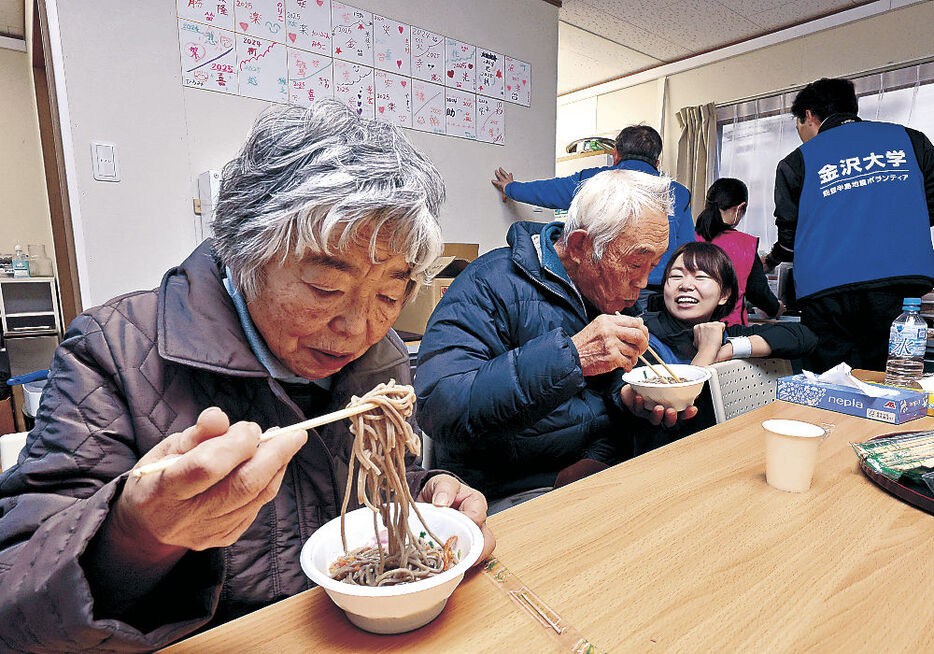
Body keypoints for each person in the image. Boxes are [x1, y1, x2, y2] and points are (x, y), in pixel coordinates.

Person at [0, 99, 494, 651]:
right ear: (246, 255)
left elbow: (380, 484)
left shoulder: (381, 357)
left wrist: (429, 497)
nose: (359, 327)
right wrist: (137, 535)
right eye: (325, 288)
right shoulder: (112, 351)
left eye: (389, 292)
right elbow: (13, 598)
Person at [416, 169, 698, 513]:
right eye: (636, 263)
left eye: (655, 264)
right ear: (580, 246)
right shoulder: (489, 284)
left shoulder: (612, 291)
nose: (643, 281)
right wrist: (572, 357)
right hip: (513, 489)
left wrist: (629, 400)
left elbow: (600, 395)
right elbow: (440, 410)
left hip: (599, 471)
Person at [763, 77, 934, 372]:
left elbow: (789, 239)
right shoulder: (911, 141)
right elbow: (928, 206)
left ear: (809, 116)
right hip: (898, 285)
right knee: (890, 378)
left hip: (826, 291)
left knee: (827, 381)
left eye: (799, 126)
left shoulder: (798, 161)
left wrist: (772, 259)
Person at [635, 242, 817, 455]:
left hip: (724, 452)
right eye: (676, 276)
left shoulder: (726, 335)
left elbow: (804, 337)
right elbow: (677, 420)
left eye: (701, 277)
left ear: (724, 295)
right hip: (665, 459)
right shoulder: (643, 336)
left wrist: (728, 348)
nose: (685, 285)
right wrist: (706, 352)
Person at [491, 124, 694, 302]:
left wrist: (510, 188)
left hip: (607, 289)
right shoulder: (679, 194)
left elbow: (547, 192)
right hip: (662, 294)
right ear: (656, 163)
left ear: (615, 155)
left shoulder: (594, 180)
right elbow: (687, 250)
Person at [694, 178, 783, 325]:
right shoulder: (745, 245)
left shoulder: (688, 237)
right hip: (729, 331)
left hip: (688, 328)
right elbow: (758, 293)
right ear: (740, 207)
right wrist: (776, 307)